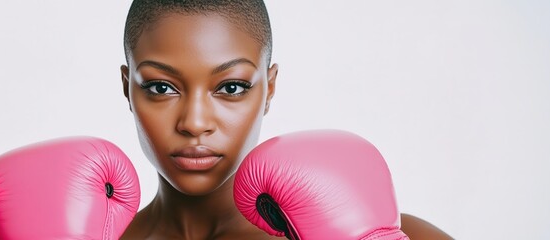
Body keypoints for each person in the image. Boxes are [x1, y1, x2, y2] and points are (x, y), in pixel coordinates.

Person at [117, 1, 452, 239]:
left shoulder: (392, 235)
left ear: (270, 88)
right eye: (161, 87)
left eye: (231, 87)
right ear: (127, 88)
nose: (194, 122)